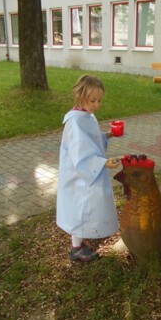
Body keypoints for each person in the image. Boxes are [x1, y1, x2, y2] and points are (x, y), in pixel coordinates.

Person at [56, 75, 121, 262]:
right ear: (79, 96)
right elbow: (80, 152)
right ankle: (76, 248)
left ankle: (84, 235)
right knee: (80, 206)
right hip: (79, 173)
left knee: (87, 204)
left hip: (85, 170)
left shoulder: (86, 116)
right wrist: (102, 163)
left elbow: (89, 141)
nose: (97, 105)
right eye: (93, 100)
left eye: (99, 100)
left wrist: (106, 135)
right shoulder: (75, 121)